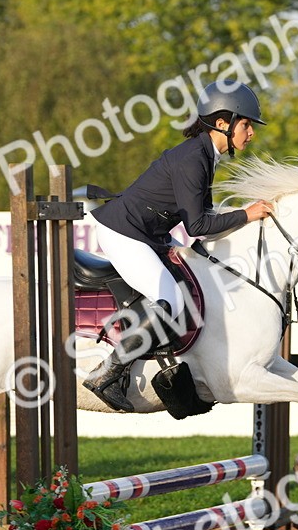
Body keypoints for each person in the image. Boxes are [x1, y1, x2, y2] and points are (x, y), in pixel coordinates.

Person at [83, 80, 275, 411]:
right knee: (168, 299)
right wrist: (247, 214)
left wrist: (245, 218)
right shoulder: (193, 159)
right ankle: (108, 373)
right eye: (246, 125)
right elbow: (198, 226)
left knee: (190, 279)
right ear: (221, 123)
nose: (251, 133)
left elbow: (206, 218)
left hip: (148, 233)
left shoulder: (206, 154)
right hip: (124, 233)